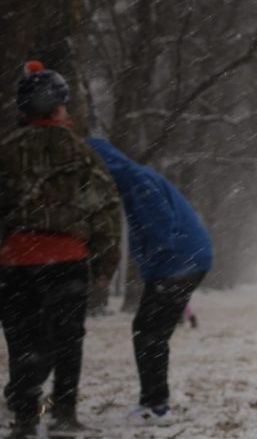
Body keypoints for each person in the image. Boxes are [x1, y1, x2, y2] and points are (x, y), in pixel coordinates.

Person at [0, 61, 122, 439]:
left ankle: (24, 420)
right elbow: (106, 211)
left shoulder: (6, 151)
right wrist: (105, 262)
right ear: (58, 108)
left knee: (22, 340)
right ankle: (63, 415)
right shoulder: (81, 153)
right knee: (67, 339)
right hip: (66, 260)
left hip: (14, 261)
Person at [85, 137, 214, 422]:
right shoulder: (134, 177)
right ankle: (154, 401)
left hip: (180, 262)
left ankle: (156, 405)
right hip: (183, 260)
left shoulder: (135, 182)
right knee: (149, 331)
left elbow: (159, 230)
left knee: (148, 332)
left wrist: (152, 262)